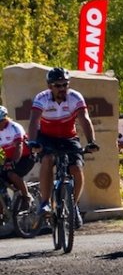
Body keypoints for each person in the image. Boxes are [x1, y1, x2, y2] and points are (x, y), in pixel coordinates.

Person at [27, 67, 99, 228]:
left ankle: (73, 206)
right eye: (58, 85)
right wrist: (32, 142)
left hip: (69, 137)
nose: (62, 89)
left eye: (65, 84)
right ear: (49, 86)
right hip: (47, 138)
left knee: (76, 168)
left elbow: (84, 119)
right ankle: (45, 203)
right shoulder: (42, 98)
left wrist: (91, 141)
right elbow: (34, 121)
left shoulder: (75, 97)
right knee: (47, 159)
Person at [0, 105, 35, 214]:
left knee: (11, 174)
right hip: (9, 158)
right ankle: (4, 208)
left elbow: (19, 146)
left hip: (26, 157)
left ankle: (26, 196)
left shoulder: (14, 127)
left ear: (5, 119)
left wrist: (13, 162)